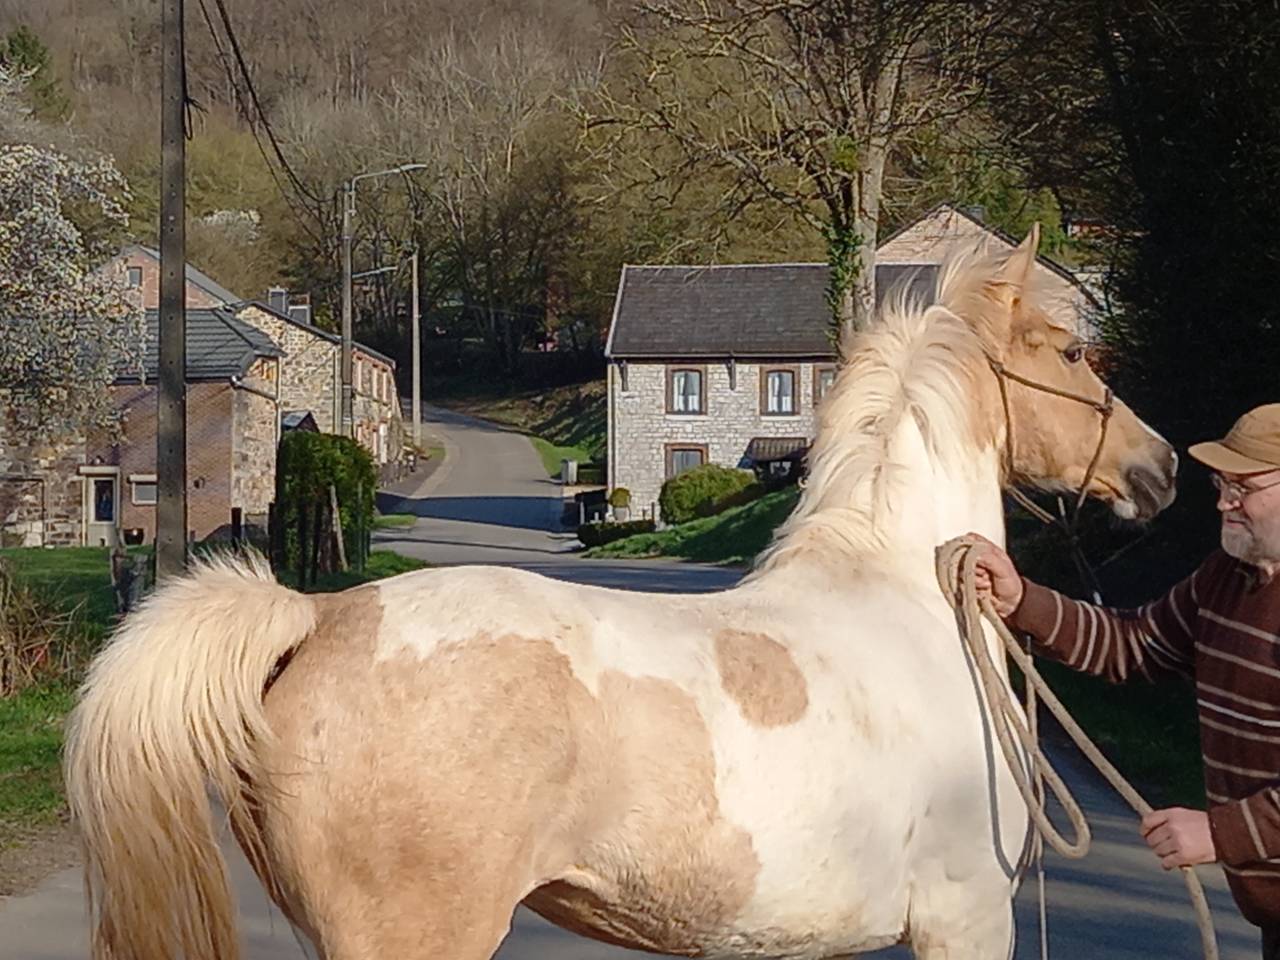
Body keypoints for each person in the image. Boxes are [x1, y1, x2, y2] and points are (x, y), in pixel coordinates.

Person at [970, 402, 1280, 957]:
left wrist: (1220, 833)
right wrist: (1021, 600)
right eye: (1220, 482)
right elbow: (1132, 644)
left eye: (1245, 486)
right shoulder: (1226, 579)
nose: (1223, 501)